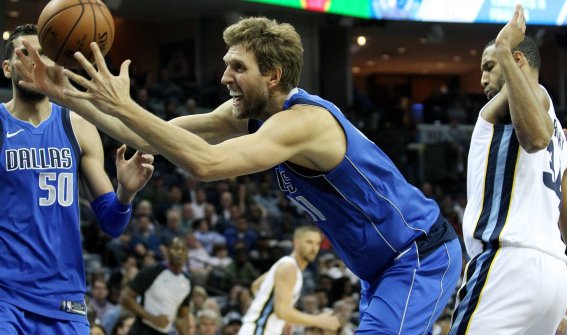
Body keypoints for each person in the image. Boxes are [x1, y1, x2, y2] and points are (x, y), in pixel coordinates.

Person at [17, 16, 462, 334]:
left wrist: (123, 104)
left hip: (417, 254)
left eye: (238, 67)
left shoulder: (302, 122)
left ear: (273, 75)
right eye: (227, 63)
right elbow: (153, 139)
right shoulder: (247, 114)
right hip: (378, 267)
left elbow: (206, 165)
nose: (225, 76)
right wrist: (67, 96)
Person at [449, 5, 567, 334]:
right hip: (554, 277)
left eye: (490, 66)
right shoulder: (560, 137)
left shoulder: (530, 100)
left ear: (517, 62)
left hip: (509, 264)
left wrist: (503, 45)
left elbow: (536, 137)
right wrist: (565, 163)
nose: (483, 78)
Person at [0, 24, 154, 335]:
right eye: (25, 54)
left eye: (43, 55)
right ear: (7, 69)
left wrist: (125, 192)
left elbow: (112, 224)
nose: (35, 63)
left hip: (64, 300)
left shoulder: (79, 125)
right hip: (7, 298)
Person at [239, 225, 339, 334]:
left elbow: (256, 286)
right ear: (296, 243)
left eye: (317, 243)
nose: (314, 248)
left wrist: (284, 318)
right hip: (259, 329)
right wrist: (318, 321)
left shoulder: (287, 266)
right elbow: (281, 311)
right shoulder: (289, 268)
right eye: (309, 242)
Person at [120, 236, 192, 335]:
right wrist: (152, 319)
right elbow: (125, 298)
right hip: (142, 330)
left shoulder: (187, 282)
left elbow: (183, 316)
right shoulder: (152, 271)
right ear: (167, 251)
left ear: (187, 254)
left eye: (183, 250)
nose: (180, 253)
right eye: (176, 248)